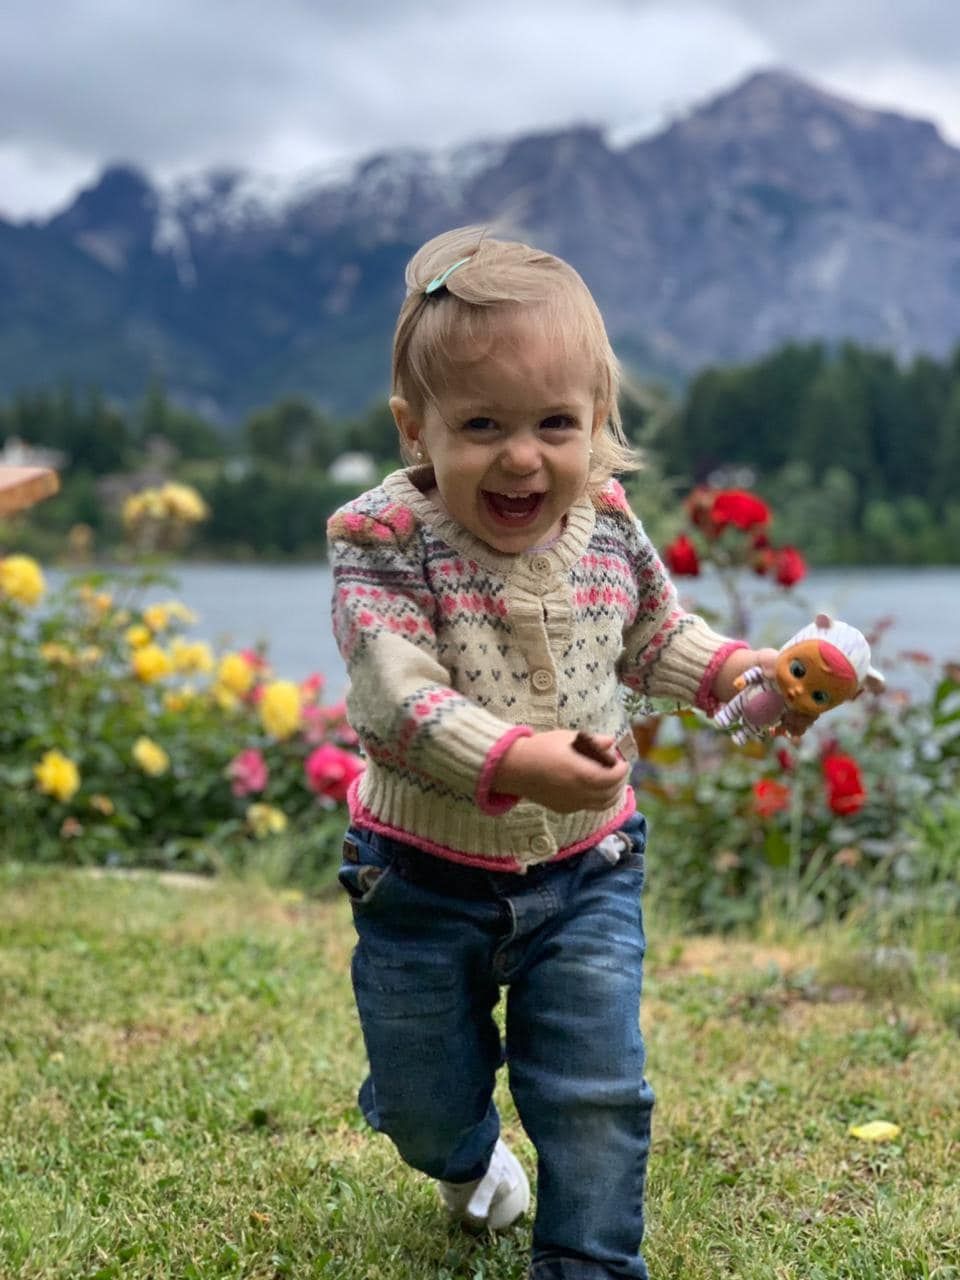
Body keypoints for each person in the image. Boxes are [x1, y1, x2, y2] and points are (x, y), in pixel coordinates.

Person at [327, 226, 787, 1279]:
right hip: (419, 875)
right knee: (422, 1098)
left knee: (595, 1089)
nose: (522, 456)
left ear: (597, 420)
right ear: (416, 426)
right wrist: (515, 757)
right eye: (482, 424)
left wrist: (734, 672)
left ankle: (588, 1261)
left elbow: (654, 635)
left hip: (588, 870)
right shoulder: (383, 540)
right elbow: (395, 693)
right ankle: (457, 1148)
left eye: (554, 423)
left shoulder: (607, 524)